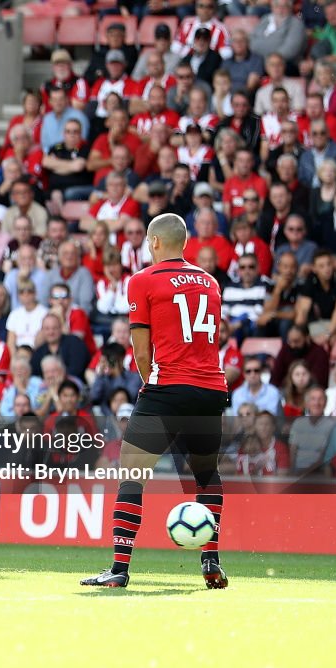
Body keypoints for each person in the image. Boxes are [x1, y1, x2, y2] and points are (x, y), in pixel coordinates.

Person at [82, 213, 230, 589]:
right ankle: (211, 559)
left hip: (168, 386)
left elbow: (141, 347)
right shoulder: (210, 282)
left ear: (156, 242)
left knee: (132, 472)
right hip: (212, 388)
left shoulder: (143, 280)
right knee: (206, 476)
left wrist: (153, 386)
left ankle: (118, 568)